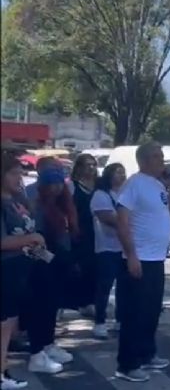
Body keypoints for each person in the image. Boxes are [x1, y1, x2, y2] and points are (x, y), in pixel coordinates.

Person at [113, 142, 170, 383]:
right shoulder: (134, 184)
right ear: (143, 160)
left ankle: (147, 354)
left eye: (162, 155)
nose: (162, 160)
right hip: (139, 258)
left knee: (151, 311)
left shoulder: (159, 184)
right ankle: (127, 364)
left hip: (156, 258)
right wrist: (131, 255)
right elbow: (122, 221)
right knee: (134, 313)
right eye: (156, 157)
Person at [24, 165, 76, 375]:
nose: (55, 188)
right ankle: (37, 352)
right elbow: (35, 239)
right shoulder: (37, 206)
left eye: (58, 184)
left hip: (58, 262)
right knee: (40, 308)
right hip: (41, 263)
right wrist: (51, 259)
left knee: (52, 306)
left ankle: (47, 344)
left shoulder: (61, 204)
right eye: (51, 184)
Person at [2, 152, 46, 390]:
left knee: (9, 322)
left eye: (21, 173)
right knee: (4, 323)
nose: (19, 177)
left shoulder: (16, 199)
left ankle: (3, 370)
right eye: (13, 173)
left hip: (23, 266)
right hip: (7, 267)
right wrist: (31, 238)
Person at [90, 163, 127, 339]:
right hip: (107, 247)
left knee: (124, 287)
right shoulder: (101, 195)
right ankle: (100, 322)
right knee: (104, 286)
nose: (122, 176)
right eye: (118, 172)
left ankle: (121, 319)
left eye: (123, 172)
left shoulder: (125, 194)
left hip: (124, 247)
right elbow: (108, 218)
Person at [70, 154, 98, 318]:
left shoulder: (100, 186)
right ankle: (80, 301)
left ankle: (92, 300)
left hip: (98, 232)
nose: (91, 168)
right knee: (81, 266)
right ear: (79, 167)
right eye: (88, 165)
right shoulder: (72, 186)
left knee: (96, 267)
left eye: (93, 165)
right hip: (81, 231)